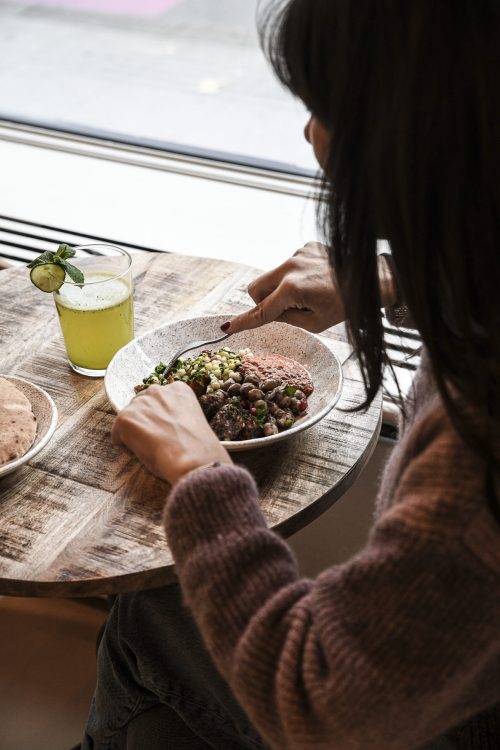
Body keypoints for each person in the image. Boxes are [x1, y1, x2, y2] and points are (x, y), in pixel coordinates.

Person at [80, 1, 500, 748]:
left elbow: (324, 709)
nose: (309, 134)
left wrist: (201, 474)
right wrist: (390, 279)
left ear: (421, 133)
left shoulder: (476, 463)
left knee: (149, 609)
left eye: (324, 105)